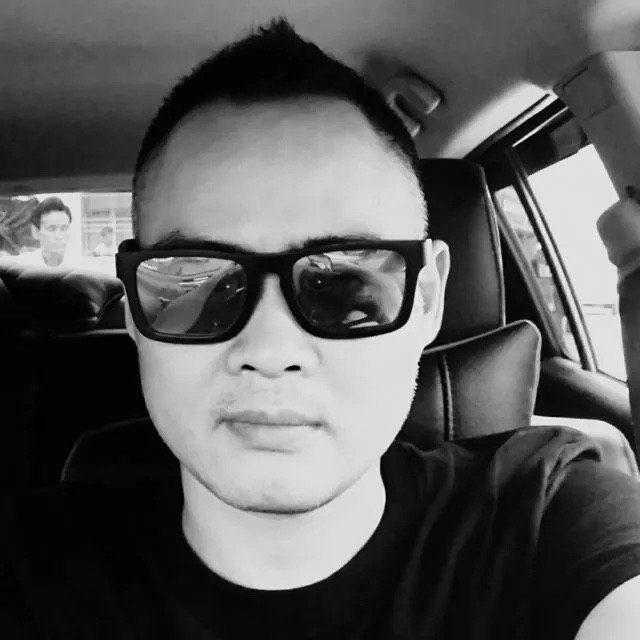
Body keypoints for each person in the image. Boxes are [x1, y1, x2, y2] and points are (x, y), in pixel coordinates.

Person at [3, 19, 640, 639]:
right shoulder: (32, 570)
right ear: (136, 313)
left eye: (345, 289)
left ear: (427, 300)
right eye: (195, 286)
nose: (270, 350)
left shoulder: (548, 517)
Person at [9, 197, 75, 267]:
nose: (59, 236)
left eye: (64, 229)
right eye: (51, 229)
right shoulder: (21, 266)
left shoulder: (80, 266)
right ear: (36, 232)